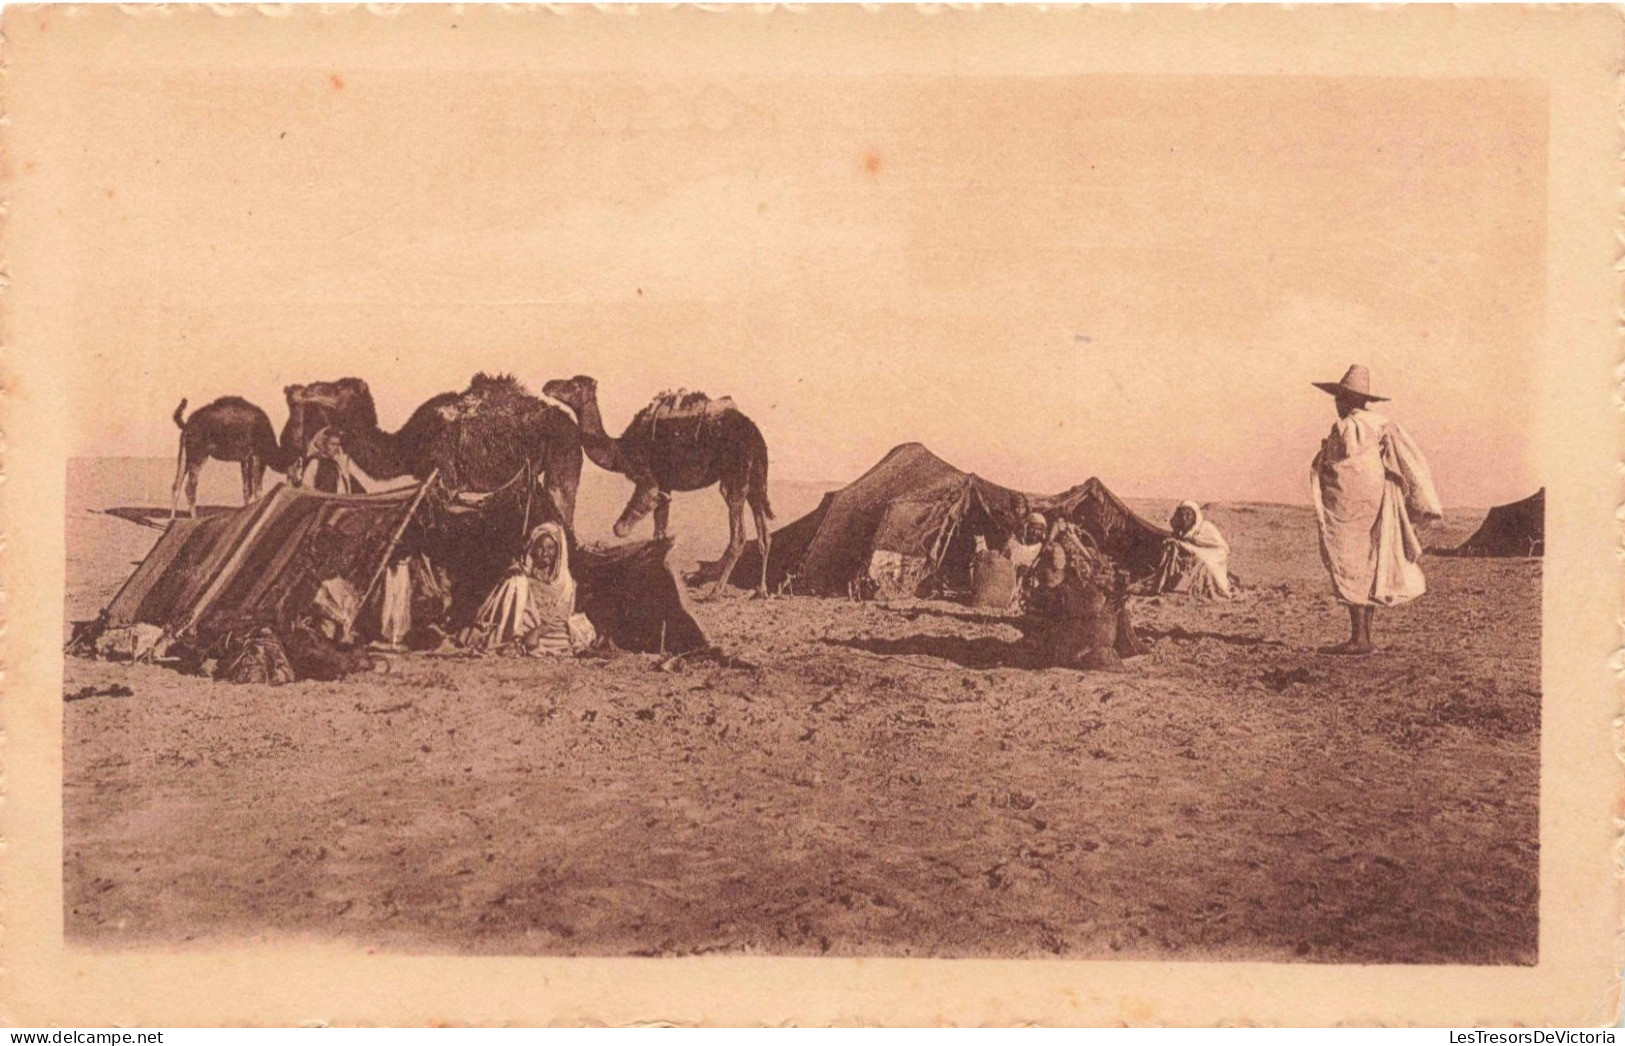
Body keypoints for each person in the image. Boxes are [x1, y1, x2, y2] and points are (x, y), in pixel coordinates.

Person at [1309, 364, 1442, 655]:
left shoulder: (1349, 426)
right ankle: (1363, 637)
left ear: (1349, 399)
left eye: (1340, 398)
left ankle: (1359, 638)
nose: (1337, 404)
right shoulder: (1381, 424)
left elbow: (1343, 463)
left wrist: (1325, 459)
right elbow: (1406, 458)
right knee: (1369, 562)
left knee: (1351, 561)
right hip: (1373, 500)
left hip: (1351, 505)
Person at [463, 521, 594, 656]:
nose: (545, 553)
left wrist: (537, 631)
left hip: (551, 632)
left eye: (550, 548)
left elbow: (561, 619)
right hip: (521, 628)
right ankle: (514, 639)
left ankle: (524, 643)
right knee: (516, 582)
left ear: (558, 551)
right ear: (533, 549)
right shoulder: (522, 575)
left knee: (563, 639)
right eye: (540, 547)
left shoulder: (566, 583)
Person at [1152, 501, 1235, 599]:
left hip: (1213, 558)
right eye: (1182, 515)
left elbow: (1221, 550)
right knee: (1172, 549)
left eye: (1188, 515)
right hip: (1193, 559)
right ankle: (1167, 584)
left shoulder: (1206, 528)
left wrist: (1184, 546)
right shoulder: (1181, 532)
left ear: (1195, 516)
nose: (1184, 518)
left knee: (1203, 563)